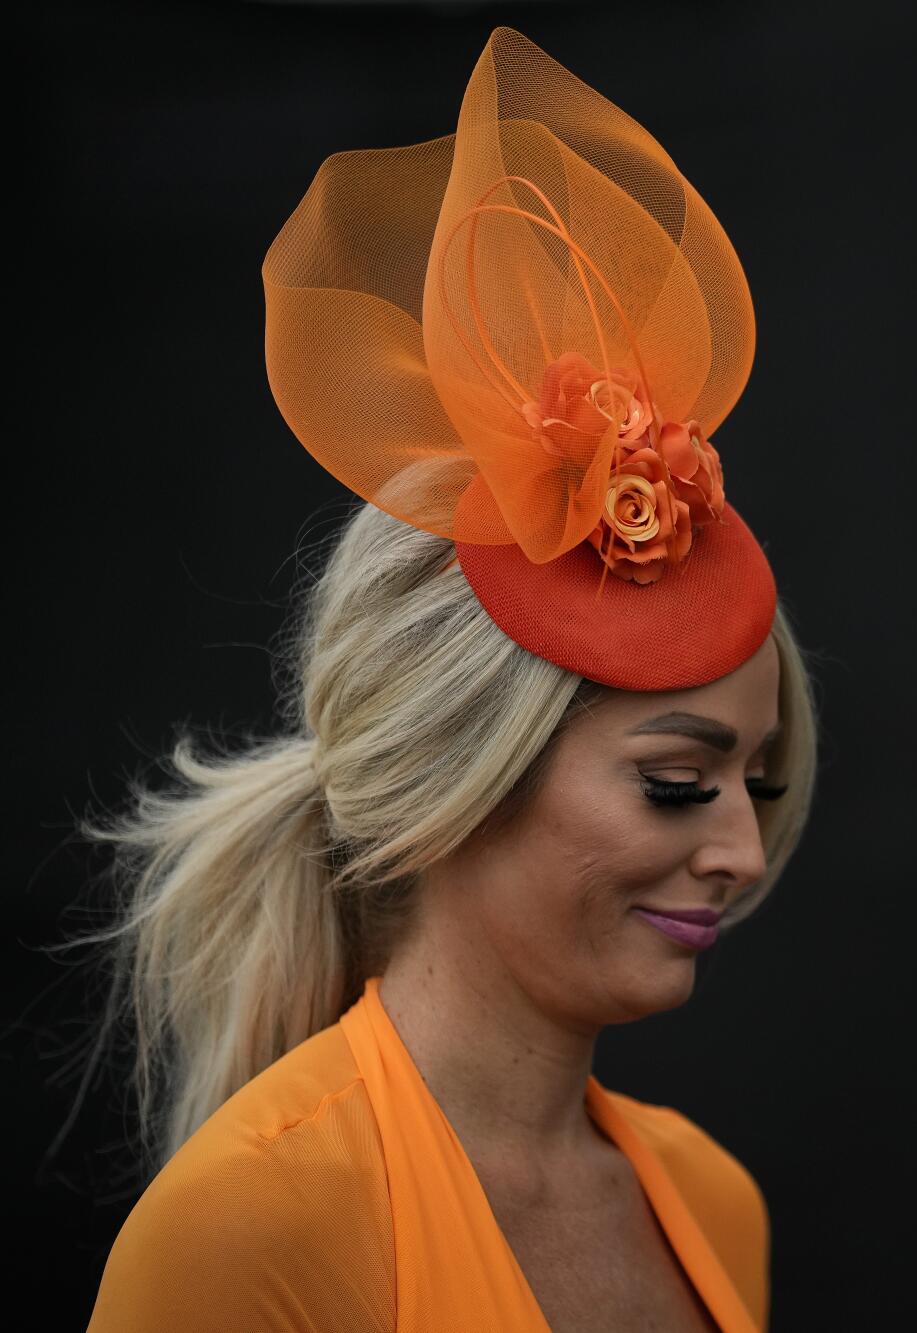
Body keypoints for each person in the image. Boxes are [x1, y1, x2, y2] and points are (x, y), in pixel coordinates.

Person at [76, 25, 814, 1332]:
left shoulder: (712, 1201)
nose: (743, 853)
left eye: (756, 783)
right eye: (678, 783)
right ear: (452, 770)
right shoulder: (248, 1230)